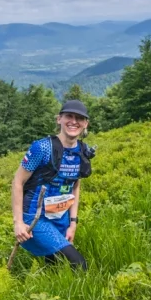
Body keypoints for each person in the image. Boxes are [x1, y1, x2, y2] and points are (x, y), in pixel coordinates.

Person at [11, 99, 96, 271]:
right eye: (69, 116)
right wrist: (18, 222)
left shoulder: (82, 150)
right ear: (59, 119)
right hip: (36, 217)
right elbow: (17, 182)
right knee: (79, 264)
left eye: (79, 118)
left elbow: (75, 186)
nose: (74, 121)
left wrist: (73, 223)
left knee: (54, 265)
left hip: (61, 216)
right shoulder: (41, 148)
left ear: (85, 123)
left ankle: (53, 294)